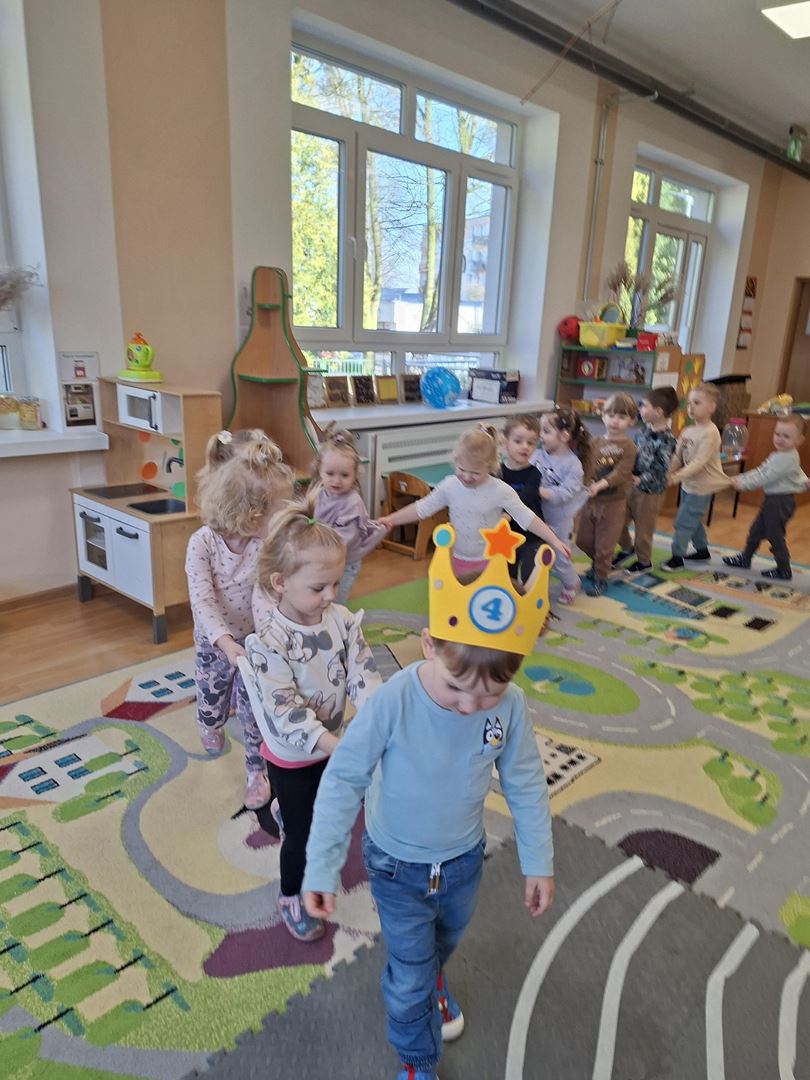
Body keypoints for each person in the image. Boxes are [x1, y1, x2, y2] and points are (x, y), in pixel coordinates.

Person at [302, 521, 555, 1080]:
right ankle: (417, 1062)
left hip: (463, 861)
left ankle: (431, 977)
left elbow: (525, 783)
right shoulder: (391, 702)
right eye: (458, 688)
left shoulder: (510, 707)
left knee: (442, 944)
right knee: (410, 972)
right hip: (396, 865)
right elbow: (343, 780)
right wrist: (320, 866)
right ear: (429, 645)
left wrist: (538, 860)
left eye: (488, 694)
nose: (470, 707)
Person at [239, 498, 381, 942]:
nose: (331, 595)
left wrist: (377, 715)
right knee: (302, 837)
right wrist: (339, 747)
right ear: (280, 583)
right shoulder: (269, 643)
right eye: (319, 587)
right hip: (292, 756)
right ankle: (290, 897)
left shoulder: (341, 621)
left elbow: (362, 672)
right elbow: (285, 711)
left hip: (332, 744)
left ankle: (285, 807)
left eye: (335, 583)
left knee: (333, 813)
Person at [185, 430, 293, 809]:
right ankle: (210, 723)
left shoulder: (263, 544)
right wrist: (225, 642)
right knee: (212, 699)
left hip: (252, 642)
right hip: (214, 641)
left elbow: (263, 593)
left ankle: (255, 771)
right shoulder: (202, 544)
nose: (284, 517)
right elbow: (202, 601)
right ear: (253, 515)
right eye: (279, 509)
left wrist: (269, 637)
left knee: (254, 710)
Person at [376, 424, 569, 577]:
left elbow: (527, 517)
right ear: (455, 461)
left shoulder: (500, 490)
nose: (467, 477)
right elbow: (422, 508)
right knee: (460, 603)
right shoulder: (450, 485)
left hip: (491, 560)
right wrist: (391, 520)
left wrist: (553, 539)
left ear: (490, 466)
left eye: (475, 473)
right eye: (461, 469)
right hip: (457, 559)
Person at [722, 413, 809, 581]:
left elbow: (766, 477)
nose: (780, 439)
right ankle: (745, 558)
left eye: (786, 436)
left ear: (799, 440)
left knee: (774, 535)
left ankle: (783, 569)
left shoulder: (787, 458)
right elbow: (761, 470)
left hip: (780, 502)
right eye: (777, 434)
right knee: (756, 530)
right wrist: (741, 478)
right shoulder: (779, 455)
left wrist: (743, 484)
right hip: (772, 500)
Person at [312, 425, 386, 604]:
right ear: (320, 470)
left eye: (344, 475)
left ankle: (337, 621)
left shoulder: (352, 503)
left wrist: (313, 547)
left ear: (355, 474)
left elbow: (343, 539)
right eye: (330, 474)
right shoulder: (319, 493)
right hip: (320, 557)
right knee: (318, 600)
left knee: (334, 602)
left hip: (344, 563)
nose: (336, 481)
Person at [662, 383, 730, 570]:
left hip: (702, 487)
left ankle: (677, 558)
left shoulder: (711, 433)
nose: (691, 407)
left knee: (683, 521)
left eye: (697, 403)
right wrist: (667, 473)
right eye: (689, 403)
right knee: (693, 519)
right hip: (688, 484)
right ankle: (702, 551)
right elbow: (678, 457)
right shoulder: (688, 431)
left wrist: (675, 478)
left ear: (711, 407)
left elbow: (699, 462)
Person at [575, 393, 637, 596]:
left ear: (631, 421)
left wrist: (601, 484)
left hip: (613, 504)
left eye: (621, 416)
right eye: (610, 415)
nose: (615, 421)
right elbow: (585, 466)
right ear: (602, 416)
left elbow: (621, 472)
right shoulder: (594, 443)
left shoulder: (629, 447)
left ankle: (601, 577)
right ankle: (598, 564)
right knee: (583, 540)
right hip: (590, 501)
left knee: (605, 545)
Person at [613, 385, 680, 572]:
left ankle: (644, 562)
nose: (640, 409)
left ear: (658, 412)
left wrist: (641, 479)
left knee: (643, 528)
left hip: (650, 492)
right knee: (617, 520)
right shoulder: (642, 432)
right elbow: (632, 454)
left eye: (643, 406)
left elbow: (661, 467)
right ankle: (627, 548)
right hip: (630, 486)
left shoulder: (667, 440)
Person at [532, 406, 592, 604]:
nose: (541, 436)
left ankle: (571, 583)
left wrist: (543, 492)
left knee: (559, 556)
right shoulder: (537, 455)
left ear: (564, 436)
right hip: (537, 514)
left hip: (559, 520)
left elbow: (567, 492)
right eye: (541, 430)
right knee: (534, 551)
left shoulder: (573, 464)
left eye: (546, 431)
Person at [498, 414, 545, 584]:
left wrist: (507, 514)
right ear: (505, 442)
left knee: (530, 575)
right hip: (506, 534)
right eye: (518, 441)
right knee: (506, 575)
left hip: (531, 535)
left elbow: (525, 498)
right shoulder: (497, 472)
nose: (525, 447)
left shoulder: (534, 473)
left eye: (531, 443)